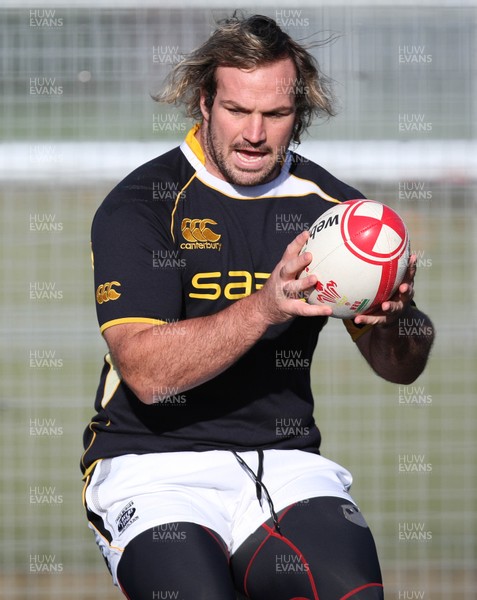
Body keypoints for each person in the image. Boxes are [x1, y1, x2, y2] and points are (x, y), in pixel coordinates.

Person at [81, 13, 434, 600]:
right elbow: (145, 373)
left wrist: (399, 322)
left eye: (275, 115)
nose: (254, 132)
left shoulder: (335, 215)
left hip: (285, 462)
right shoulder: (142, 205)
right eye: (237, 110)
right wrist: (267, 306)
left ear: (300, 115)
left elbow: (401, 367)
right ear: (203, 102)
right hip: (152, 466)